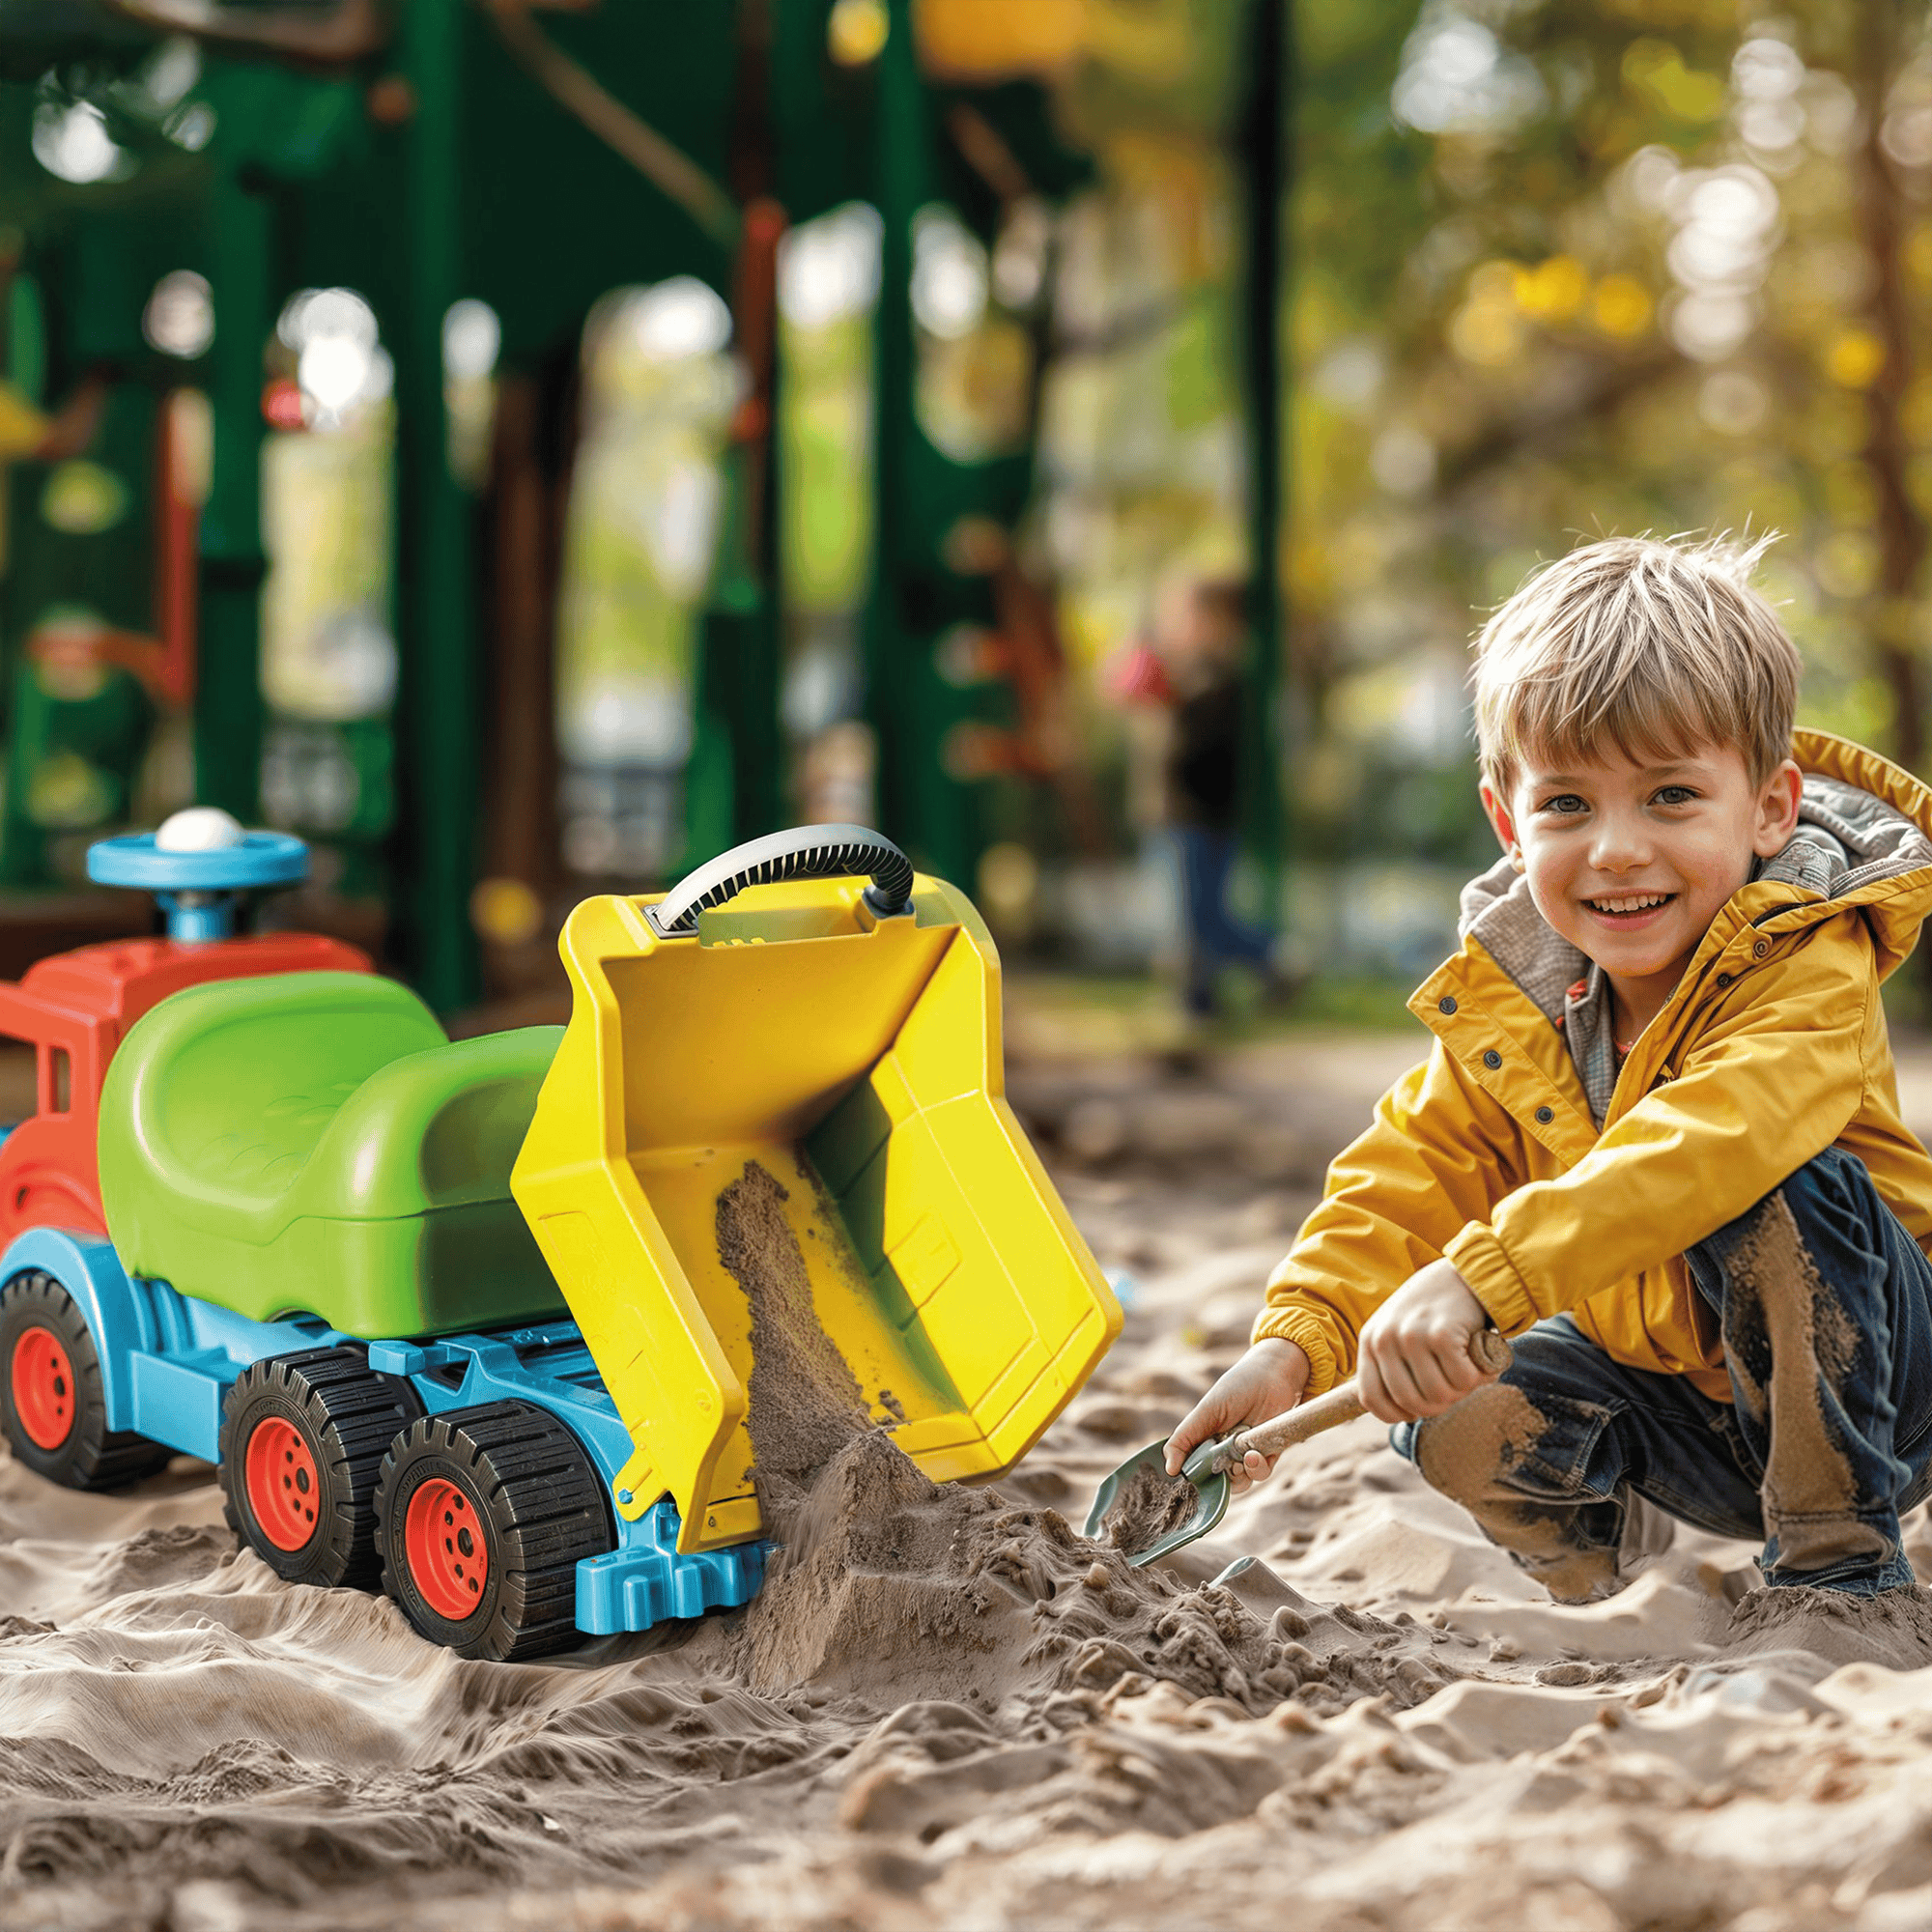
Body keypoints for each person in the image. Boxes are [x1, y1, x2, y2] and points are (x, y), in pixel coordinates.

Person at [1165, 532, 1932, 1625]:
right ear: (1504, 820)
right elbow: (1409, 1165)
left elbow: (1710, 1139)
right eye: (1566, 805)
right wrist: (1293, 1344)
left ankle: (1834, 1564)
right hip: (1673, 1407)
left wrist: (1483, 1274)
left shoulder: (1808, 962)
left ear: (1766, 807)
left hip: (1883, 1393)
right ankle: (1600, 1569)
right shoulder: (1521, 998)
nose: (1615, 848)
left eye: (1670, 795)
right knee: (1437, 1399)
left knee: (1778, 1184)